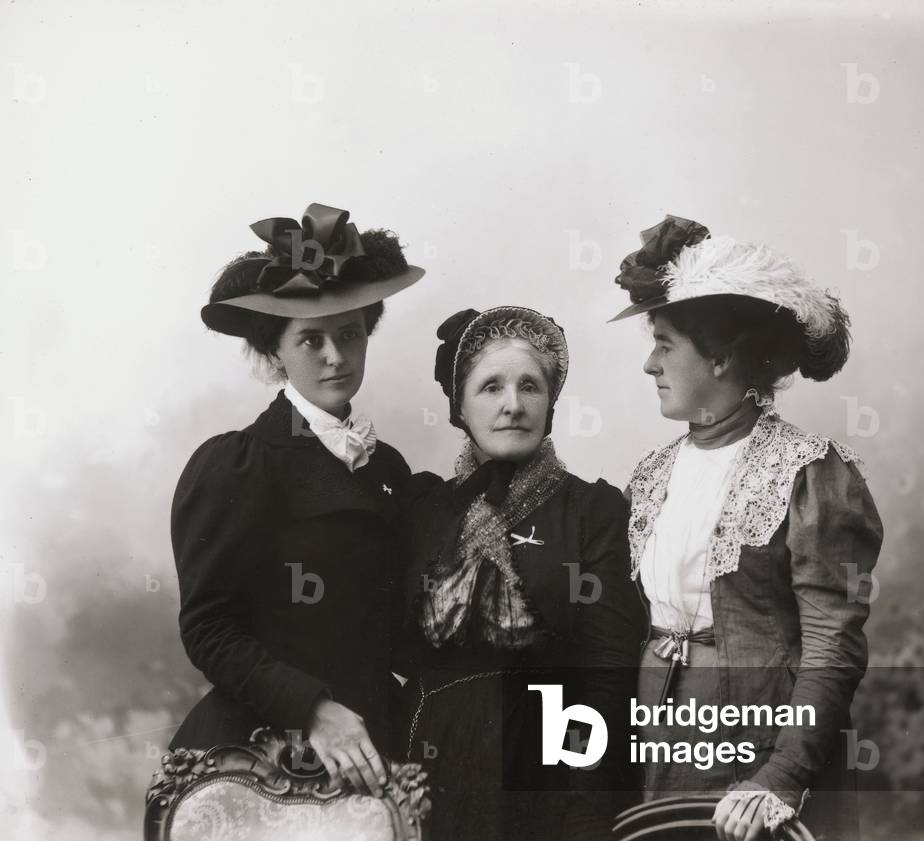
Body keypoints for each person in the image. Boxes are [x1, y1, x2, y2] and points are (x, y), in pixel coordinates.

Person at [611, 217, 884, 841]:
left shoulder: (810, 473)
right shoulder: (651, 475)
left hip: (760, 740)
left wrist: (782, 774)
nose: (649, 364)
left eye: (663, 342)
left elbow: (831, 647)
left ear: (722, 356)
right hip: (660, 737)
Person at [168, 203, 424, 798]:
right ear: (277, 352)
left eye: (351, 333)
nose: (336, 356)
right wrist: (313, 709)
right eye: (311, 339)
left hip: (367, 751)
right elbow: (209, 629)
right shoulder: (239, 464)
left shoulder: (387, 469)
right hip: (263, 755)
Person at [399, 306, 646, 840]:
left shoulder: (590, 510)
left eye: (530, 387)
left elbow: (608, 672)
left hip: (548, 771)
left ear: (550, 402)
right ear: (459, 405)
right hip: (429, 769)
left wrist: (586, 804)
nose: (513, 405)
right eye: (491, 387)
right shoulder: (425, 509)